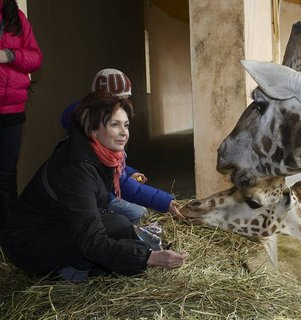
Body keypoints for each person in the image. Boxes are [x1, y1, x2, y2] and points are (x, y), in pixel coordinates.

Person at [0, 91, 188, 282]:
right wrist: (150, 258)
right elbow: (91, 240)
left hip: (53, 226)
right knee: (113, 227)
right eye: (115, 125)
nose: (124, 132)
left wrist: (165, 202)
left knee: (119, 224)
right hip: (29, 246)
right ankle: (68, 274)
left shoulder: (97, 152)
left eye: (126, 125)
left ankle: (100, 265)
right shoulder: (77, 169)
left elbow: (125, 186)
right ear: (93, 129)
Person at [61, 68, 182, 224]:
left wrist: (130, 172)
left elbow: (117, 172)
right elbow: (122, 184)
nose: (122, 109)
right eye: (118, 103)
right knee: (140, 214)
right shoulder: (87, 149)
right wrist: (164, 202)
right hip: (96, 202)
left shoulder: (97, 132)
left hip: (101, 196)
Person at [0, 0, 43, 231]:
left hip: (11, 109)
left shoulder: (16, 17)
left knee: (6, 175)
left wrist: (9, 55)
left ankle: (8, 237)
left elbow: (35, 58)